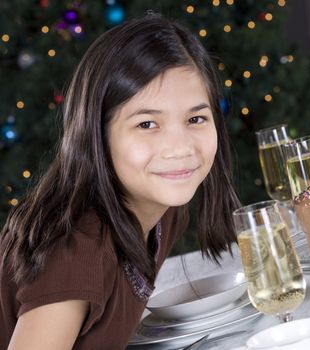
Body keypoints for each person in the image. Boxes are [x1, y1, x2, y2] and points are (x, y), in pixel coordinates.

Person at [0, 14, 240, 349]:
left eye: (195, 118)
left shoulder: (161, 208)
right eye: (146, 124)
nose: (180, 148)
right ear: (97, 134)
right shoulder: (76, 249)